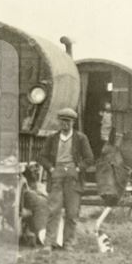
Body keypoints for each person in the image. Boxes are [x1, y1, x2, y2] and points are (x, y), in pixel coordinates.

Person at [37, 107, 94, 251]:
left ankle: (69, 243)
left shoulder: (81, 138)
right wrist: (51, 169)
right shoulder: (52, 138)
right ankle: (49, 243)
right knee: (53, 210)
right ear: (59, 122)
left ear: (73, 123)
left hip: (73, 178)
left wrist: (78, 169)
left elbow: (89, 158)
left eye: (68, 122)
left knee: (72, 212)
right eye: (63, 121)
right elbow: (42, 157)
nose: (65, 125)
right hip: (56, 176)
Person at [20, 162, 49, 246]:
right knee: (42, 204)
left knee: (44, 203)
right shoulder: (25, 183)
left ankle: (38, 234)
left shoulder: (35, 185)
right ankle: (40, 235)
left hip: (31, 197)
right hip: (27, 199)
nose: (35, 173)